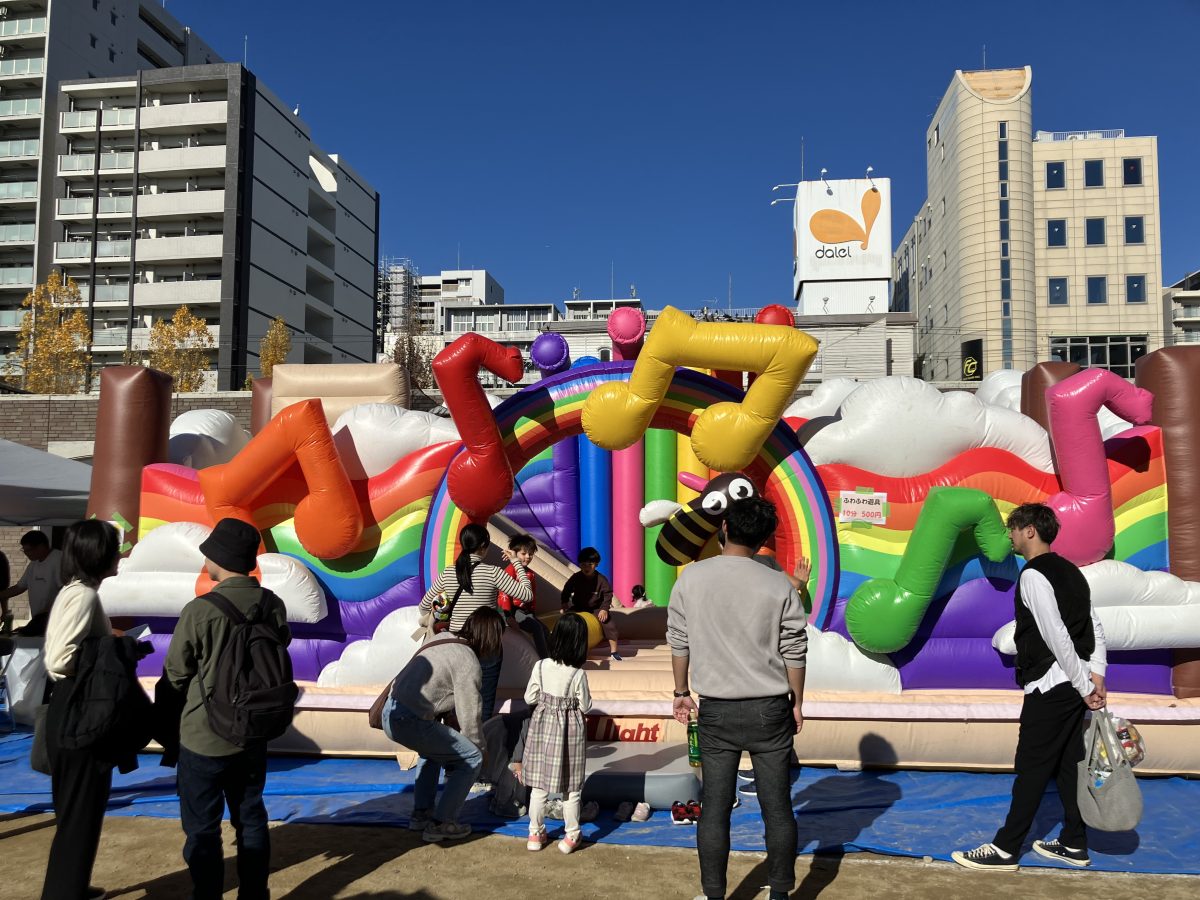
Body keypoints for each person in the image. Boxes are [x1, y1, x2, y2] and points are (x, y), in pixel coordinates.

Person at [952, 503, 1107, 871]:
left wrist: (1084, 684)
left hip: (1054, 684)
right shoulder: (1072, 572)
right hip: (1074, 683)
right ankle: (1074, 842)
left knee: (1032, 766)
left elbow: (1056, 635)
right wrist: (1096, 674)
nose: (1010, 536)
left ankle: (1006, 848)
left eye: (1013, 529)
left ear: (1030, 531)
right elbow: (1095, 626)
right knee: (1068, 765)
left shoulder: (1034, 575)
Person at [668, 497, 808, 900]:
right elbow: (795, 648)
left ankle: (714, 893)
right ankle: (780, 892)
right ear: (763, 539)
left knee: (714, 807)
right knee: (777, 807)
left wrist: (681, 692)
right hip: (770, 708)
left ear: (725, 527)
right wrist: (797, 702)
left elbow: (679, 640)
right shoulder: (779, 583)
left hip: (717, 709)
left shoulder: (692, 578)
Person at [160, 518, 291, 900]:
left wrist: (164, 725)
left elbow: (175, 675)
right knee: (251, 818)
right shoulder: (272, 604)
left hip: (204, 735)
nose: (205, 561)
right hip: (253, 730)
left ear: (222, 558)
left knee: (203, 829)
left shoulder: (200, 610)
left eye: (208, 555)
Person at [40, 519, 121, 900]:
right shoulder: (84, 596)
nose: (119, 556)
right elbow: (59, 659)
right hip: (79, 713)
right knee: (80, 813)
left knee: (75, 812)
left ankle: (72, 886)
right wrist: (106, 657)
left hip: (68, 710)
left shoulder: (73, 591)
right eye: (114, 549)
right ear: (98, 554)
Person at [383, 606, 505, 842]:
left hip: (391, 712)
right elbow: (470, 719)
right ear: (490, 638)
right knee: (472, 758)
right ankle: (442, 823)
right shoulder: (468, 661)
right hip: (411, 720)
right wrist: (482, 750)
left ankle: (421, 815)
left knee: (433, 751)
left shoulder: (442, 638)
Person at [420, 523, 530, 719]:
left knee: (455, 697)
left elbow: (424, 605)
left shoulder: (448, 572)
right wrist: (516, 563)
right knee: (484, 702)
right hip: (487, 642)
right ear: (483, 546)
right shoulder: (493, 572)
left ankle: (454, 735)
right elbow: (526, 594)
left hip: (455, 644)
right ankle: (482, 736)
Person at [523, 612, 593, 854]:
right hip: (569, 733)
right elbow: (586, 706)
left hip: (542, 730)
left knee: (538, 786)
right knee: (571, 789)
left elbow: (529, 697)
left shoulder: (540, 666)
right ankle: (571, 835)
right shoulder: (578, 674)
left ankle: (535, 833)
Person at [560, 547, 621, 660]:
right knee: (567, 621)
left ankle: (614, 652)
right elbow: (567, 589)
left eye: (590, 564)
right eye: (583, 564)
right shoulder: (576, 577)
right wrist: (564, 603)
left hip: (596, 608)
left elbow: (608, 594)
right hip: (578, 607)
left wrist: (604, 609)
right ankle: (565, 648)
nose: (586, 567)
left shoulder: (601, 580)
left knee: (609, 624)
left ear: (596, 564)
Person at [0, 530, 64, 636]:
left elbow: (65, 592)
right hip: (40, 621)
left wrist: (47, 613)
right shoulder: (33, 564)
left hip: (55, 621)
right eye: (24, 550)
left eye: (29, 550)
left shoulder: (59, 560)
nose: (26, 554)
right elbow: (19, 587)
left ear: (41, 546)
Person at [498, 533, 551, 658]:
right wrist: (508, 616)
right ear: (514, 553)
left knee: (545, 629)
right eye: (523, 553)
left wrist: (532, 611)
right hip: (511, 610)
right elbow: (504, 594)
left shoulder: (530, 574)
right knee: (536, 628)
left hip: (524, 611)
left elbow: (532, 594)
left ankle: (553, 656)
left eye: (530, 554)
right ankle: (544, 659)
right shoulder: (510, 570)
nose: (527, 557)